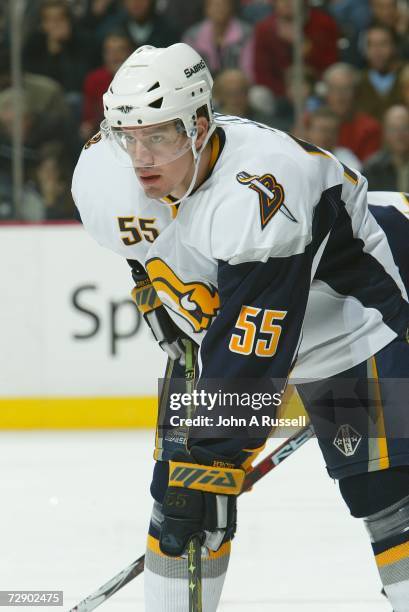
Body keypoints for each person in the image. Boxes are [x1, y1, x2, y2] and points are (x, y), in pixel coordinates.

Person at [72, 43, 409, 611]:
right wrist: (171, 326)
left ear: (200, 125)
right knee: (179, 505)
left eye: (159, 136)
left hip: (349, 327)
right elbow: (149, 262)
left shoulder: (263, 190)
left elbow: (252, 355)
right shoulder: (103, 174)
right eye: (127, 136)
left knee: (385, 495)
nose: (140, 157)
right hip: (224, 338)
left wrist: (209, 458)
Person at [254, 0, 339, 96]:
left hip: (317, 87)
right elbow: (262, 74)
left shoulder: (323, 24)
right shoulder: (264, 29)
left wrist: (304, 46)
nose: (287, 3)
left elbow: (330, 65)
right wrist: (285, 91)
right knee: (259, 94)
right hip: (279, 93)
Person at [322, 62, 382, 162]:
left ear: (356, 93)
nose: (340, 97)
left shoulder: (370, 128)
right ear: (326, 93)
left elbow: (369, 171)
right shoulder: (310, 123)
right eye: (334, 89)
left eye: (346, 89)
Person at [80, 31, 133, 141]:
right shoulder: (94, 79)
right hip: (102, 131)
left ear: (130, 53)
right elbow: (89, 118)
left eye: (120, 50)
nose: (115, 56)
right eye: (110, 51)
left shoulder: (140, 78)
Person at [182, 0, 254, 80]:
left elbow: (248, 70)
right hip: (203, 86)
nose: (219, 9)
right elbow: (189, 72)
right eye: (214, 5)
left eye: (223, 5)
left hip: (236, 84)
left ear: (231, 8)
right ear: (206, 9)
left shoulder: (246, 33)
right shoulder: (192, 36)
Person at [356, 24, 403, 122]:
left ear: (394, 47)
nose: (377, 51)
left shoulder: (405, 77)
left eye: (383, 44)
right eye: (371, 45)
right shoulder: (357, 82)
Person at [363, 105, 409, 191]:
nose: (399, 135)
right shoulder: (372, 168)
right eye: (393, 129)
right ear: (385, 133)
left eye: (405, 128)